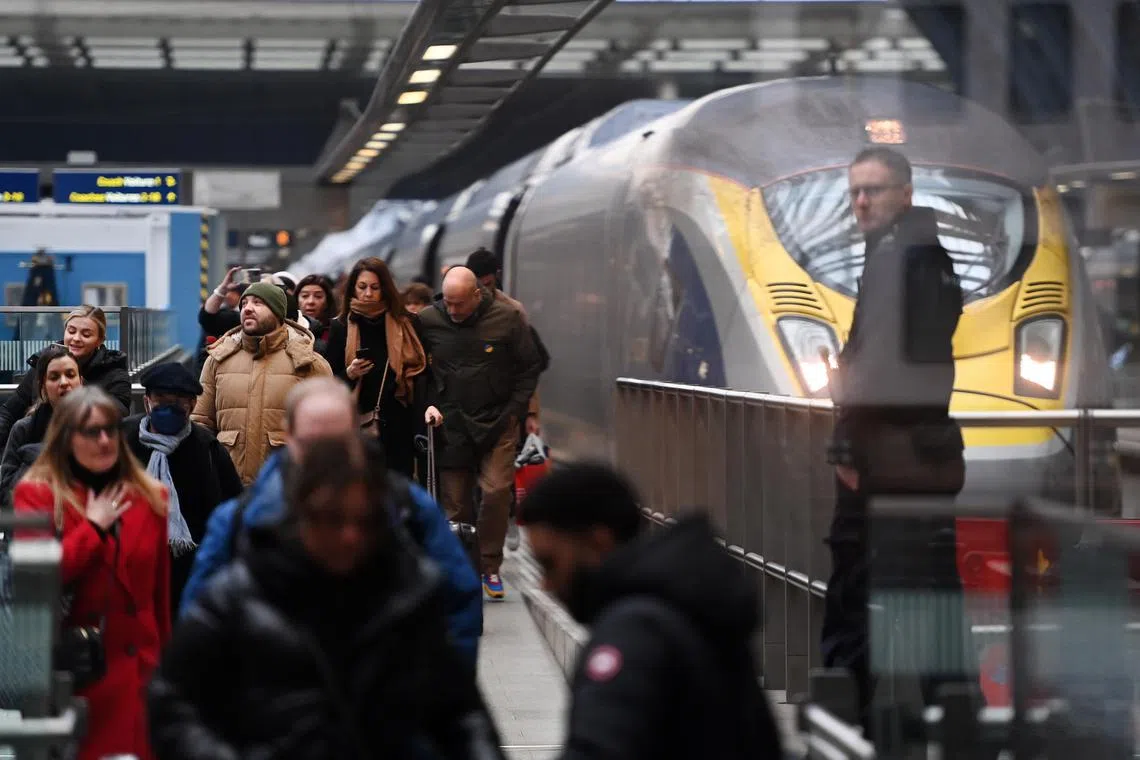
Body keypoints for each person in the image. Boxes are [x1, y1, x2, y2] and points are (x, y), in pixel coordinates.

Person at [148, 436, 505, 760]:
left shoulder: (410, 594)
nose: (349, 536)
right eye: (332, 519)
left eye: (363, 521)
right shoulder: (237, 597)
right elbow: (173, 703)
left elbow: (459, 712)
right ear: (299, 515)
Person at [179, 377, 482, 669]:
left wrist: (437, 690)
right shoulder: (237, 522)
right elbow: (198, 630)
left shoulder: (408, 511)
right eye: (312, 443)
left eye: (334, 443)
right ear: (289, 436)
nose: (322, 459)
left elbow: (457, 601)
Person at [823, 146, 966, 734]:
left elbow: (880, 364)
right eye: (855, 191)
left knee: (854, 584)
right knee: (929, 589)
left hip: (884, 455)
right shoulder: (930, 258)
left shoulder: (896, 259)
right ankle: (952, 709)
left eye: (874, 190)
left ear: (905, 193)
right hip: (927, 453)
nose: (861, 202)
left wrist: (848, 445)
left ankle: (843, 719)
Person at [521, 461, 785, 760]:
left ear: (599, 541)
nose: (545, 584)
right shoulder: (688, 607)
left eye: (549, 563)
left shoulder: (633, 633)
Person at [14, 386, 170, 760]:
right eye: (91, 431)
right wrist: (94, 529)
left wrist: (167, 669)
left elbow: (159, 594)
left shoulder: (152, 496)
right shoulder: (37, 495)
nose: (104, 440)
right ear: (66, 437)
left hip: (142, 675)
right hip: (80, 677)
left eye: (111, 430)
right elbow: (38, 579)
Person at [416, 266, 543, 600]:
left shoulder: (507, 318)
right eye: (448, 303)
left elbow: (530, 366)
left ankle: (490, 565)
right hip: (449, 422)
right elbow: (417, 370)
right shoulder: (429, 320)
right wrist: (428, 404)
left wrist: (516, 410)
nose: (453, 311)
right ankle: (461, 572)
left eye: (459, 304)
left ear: (477, 295)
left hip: (497, 421)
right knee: (455, 507)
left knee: (496, 491)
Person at [123, 362, 243, 615]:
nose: (169, 407)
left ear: (192, 406)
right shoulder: (121, 440)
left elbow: (231, 508)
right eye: (161, 399)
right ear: (147, 402)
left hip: (187, 574)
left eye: (178, 401)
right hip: (129, 567)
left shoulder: (207, 449)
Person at [192, 281, 333, 484]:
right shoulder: (217, 360)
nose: (248, 308)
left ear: (277, 312)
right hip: (230, 486)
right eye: (245, 304)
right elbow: (200, 423)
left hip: (287, 488)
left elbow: (327, 434)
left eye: (258, 303)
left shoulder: (309, 363)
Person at [325, 257, 434, 479]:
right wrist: (350, 374)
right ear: (353, 289)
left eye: (375, 288)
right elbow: (328, 381)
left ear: (385, 288)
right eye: (362, 287)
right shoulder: (341, 326)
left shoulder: (407, 323)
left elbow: (423, 371)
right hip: (357, 425)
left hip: (400, 423)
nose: (368, 294)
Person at [0, 305, 130, 452]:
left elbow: (117, 419)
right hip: (38, 451)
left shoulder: (114, 373)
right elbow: (9, 412)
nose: (76, 338)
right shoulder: (44, 363)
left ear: (100, 340)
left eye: (86, 334)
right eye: (71, 331)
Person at [0, 344, 82, 501]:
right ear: (43, 386)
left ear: (81, 381)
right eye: (54, 377)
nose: (64, 382)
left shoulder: (98, 428)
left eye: (70, 375)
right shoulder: (24, 429)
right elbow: (6, 491)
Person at [295, 273, 338, 355]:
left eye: (318, 296)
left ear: (327, 302)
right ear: (297, 301)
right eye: (305, 296)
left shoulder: (337, 332)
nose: (310, 301)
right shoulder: (287, 331)